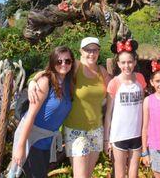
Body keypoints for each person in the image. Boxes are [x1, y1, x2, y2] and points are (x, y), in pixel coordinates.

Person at [30, 37, 110, 178]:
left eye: (95, 50)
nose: (91, 53)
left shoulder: (101, 71)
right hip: (76, 131)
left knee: (88, 174)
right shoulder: (75, 66)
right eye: (87, 50)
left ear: (99, 51)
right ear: (81, 51)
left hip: (96, 130)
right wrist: (33, 81)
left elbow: (114, 89)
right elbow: (50, 72)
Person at [11, 46, 74, 178]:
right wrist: (21, 146)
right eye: (59, 61)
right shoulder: (46, 82)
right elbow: (30, 116)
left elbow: (89, 60)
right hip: (32, 140)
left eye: (67, 61)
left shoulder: (69, 82)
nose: (63, 64)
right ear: (52, 63)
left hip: (47, 141)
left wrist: (34, 79)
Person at [104, 38, 146, 178]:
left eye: (129, 62)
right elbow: (109, 114)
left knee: (134, 174)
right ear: (118, 63)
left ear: (134, 62)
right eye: (123, 62)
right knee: (120, 174)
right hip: (119, 135)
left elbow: (144, 108)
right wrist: (106, 139)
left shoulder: (140, 79)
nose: (126, 66)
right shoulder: (114, 83)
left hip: (137, 134)